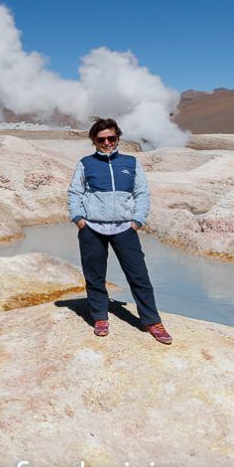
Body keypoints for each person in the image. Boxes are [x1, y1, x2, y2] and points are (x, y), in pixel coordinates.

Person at [67, 117, 172, 344]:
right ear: (94, 141)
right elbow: (74, 193)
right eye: (101, 139)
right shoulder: (86, 163)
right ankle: (100, 317)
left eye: (111, 138)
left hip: (125, 228)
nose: (107, 143)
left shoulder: (131, 162)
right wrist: (79, 219)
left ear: (118, 138)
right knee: (95, 276)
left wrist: (137, 221)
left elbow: (142, 193)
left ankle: (152, 321)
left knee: (139, 276)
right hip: (92, 227)